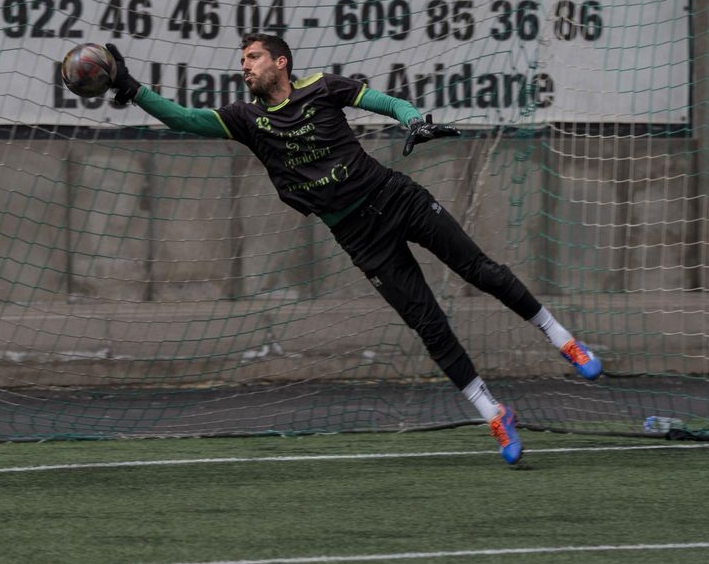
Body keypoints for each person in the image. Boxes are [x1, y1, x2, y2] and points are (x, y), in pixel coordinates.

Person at [100, 34, 601, 465]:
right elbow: (185, 118)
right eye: (241, 60)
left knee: (480, 271)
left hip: (395, 197)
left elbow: (385, 103)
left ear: (280, 62)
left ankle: (562, 340)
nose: (244, 66)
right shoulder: (246, 118)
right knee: (428, 323)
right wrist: (133, 89)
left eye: (252, 57)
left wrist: (414, 120)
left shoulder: (322, 87)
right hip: (357, 234)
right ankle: (494, 413)